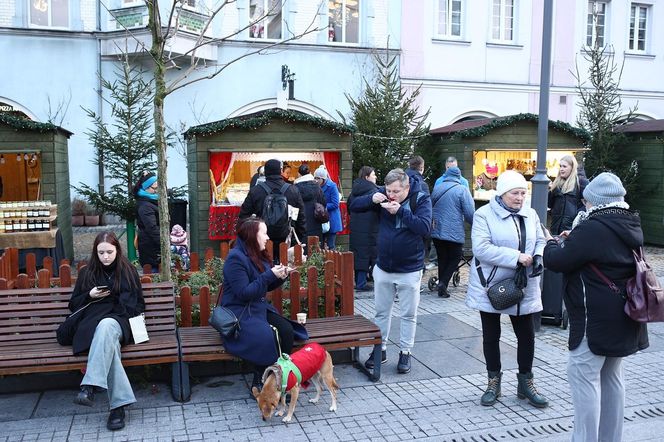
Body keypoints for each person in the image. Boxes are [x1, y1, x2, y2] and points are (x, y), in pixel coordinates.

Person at [543, 172, 649, 442]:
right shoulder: (629, 223)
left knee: (583, 377)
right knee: (612, 377)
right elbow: (595, 252)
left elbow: (558, 261)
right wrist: (574, 238)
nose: (585, 205)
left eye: (587, 201)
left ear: (596, 201)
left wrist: (551, 243)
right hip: (624, 314)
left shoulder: (593, 227)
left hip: (595, 319)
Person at [467, 170, 548, 408]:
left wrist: (538, 256)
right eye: (515, 193)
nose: (520, 197)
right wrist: (517, 257)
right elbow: (481, 248)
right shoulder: (484, 215)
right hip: (491, 284)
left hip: (524, 284)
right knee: (491, 336)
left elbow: (541, 238)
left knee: (526, 336)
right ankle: (493, 382)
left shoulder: (530, 214)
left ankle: (526, 382)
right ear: (502, 193)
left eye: (523, 193)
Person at [349, 168, 432, 374]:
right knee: (381, 312)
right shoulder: (383, 195)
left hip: (410, 268)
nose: (391, 195)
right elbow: (353, 206)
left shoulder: (420, 199)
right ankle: (380, 349)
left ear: (407, 187)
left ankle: (405, 352)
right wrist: (372, 198)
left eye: (396, 191)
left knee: (408, 314)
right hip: (384, 265)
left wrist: (401, 211)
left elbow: (424, 228)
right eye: (388, 190)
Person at [67, 231, 144, 431]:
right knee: (107, 339)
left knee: (107, 325)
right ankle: (118, 408)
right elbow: (74, 305)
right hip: (95, 328)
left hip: (121, 323)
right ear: (95, 252)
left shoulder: (128, 271)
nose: (105, 257)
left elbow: (137, 307)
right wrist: (89, 295)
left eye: (109, 252)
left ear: (117, 250)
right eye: (101, 253)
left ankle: (89, 385)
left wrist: (112, 304)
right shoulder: (87, 273)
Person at [221, 217, 308, 393]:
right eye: (264, 233)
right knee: (267, 336)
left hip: (257, 307)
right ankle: (260, 379)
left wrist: (281, 275)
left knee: (286, 331)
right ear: (252, 235)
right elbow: (244, 293)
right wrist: (269, 276)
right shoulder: (235, 259)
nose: (268, 237)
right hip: (239, 312)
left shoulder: (257, 253)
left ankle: (279, 376)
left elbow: (265, 286)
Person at [239, 159, 306, 261]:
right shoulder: (293, 190)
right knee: (287, 271)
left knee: (263, 270)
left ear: (265, 172)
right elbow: (301, 217)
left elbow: (243, 216)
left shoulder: (256, 191)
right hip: (287, 238)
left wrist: (250, 238)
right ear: (280, 171)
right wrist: (298, 239)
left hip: (262, 240)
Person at [430, 166, 474, 298]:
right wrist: (477, 225)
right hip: (454, 230)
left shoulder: (437, 188)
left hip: (437, 228)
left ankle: (442, 287)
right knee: (455, 257)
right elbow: (469, 213)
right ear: (459, 177)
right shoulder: (462, 190)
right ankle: (443, 283)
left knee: (442, 257)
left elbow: (430, 206)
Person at [348, 166, 379, 291]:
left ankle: (360, 281)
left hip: (356, 230)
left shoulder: (354, 192)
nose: (375, 176)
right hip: (372, 229)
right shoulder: (374, 192)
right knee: (372, 256)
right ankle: (366, 283)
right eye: (373, 174)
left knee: (360, 255)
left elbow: (350, 208)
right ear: (367, 177)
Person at [548, 155, 588, 235]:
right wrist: (550, 190)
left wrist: (576, 215)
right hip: (555, 228)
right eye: (560, 166)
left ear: (572, 168)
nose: (561, 169)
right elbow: (549, 204)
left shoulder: (581, 182)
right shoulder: (557, 183)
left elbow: (588, 204)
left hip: (572, 229)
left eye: (564, 166)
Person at [294, 163, 326, 248]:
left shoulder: (295, 188)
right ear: (310, 173)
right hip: (315, 221)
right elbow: (323, 202)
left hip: (301, 222)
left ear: (299, 174)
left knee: (301, 250)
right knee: (315, 248)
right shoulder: (317, 187)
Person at [133, 171, 160, 271]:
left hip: (152, 247)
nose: (157, 191)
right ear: (146, 188)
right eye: (155, 188)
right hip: (151, 250)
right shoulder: (145, 206)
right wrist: (166, 245)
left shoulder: (150, 200)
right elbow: (152, 228)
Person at [314, 165, 342, 250]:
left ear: (323, 179)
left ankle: (332, 263)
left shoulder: (332, 186)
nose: (316, 180)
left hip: (331, 218)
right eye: (315, 178)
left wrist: (321, 207)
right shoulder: (315, 186)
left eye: (318, 178)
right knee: (320, 245)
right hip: (320, 219)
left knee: (331, 245)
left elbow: (335, 203)